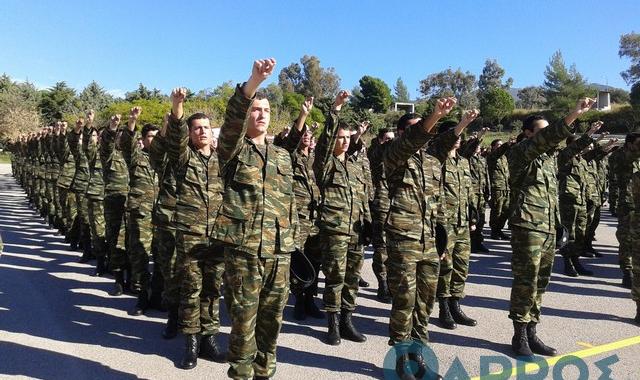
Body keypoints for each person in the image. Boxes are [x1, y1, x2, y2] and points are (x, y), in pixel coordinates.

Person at [213, 58, 298, 380]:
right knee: (243, 322)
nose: (261, 115)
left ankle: (264, 373)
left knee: (272, 322)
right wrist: (253, 83)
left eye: (266, 111)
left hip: (279, 252)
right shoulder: (232, 149)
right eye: (256, 109)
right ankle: (241, 374)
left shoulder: (282, 156)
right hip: (245, 251)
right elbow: (233, 120)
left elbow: (292, 201)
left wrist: (294, 239)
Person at [508, 98, 598, 358]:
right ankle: (520, 335)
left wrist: (588, 135)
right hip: (527, 226)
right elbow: (544, 141)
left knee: (541, 282)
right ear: (528, 133)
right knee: (526, 282)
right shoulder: (521, 153)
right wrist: (572, 115)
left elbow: (568, 152)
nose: (548, 136)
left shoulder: (549, 160)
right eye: (542, 130)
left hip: (547, 227)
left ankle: (533, 331)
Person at [383, 98, 457, 379]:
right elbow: (411, 141)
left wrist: (443, 241)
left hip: (428, 241)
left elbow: (436, 205)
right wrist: (434, 116)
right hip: (404, 239)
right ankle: (401, 359)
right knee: (405, 300)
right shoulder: (394, 155)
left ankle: (419, 357)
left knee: (425, 302)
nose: (424, 132)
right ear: (403, 133)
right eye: (415, 128)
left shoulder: (431, 162)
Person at [313, 90, 371, 346]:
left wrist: (368, 224)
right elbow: (324, 145)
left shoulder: (355, 166)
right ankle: (333, 325)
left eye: (348, 137)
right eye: (340, 137)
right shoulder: (326, 164)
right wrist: (335, 110)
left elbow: (363, 198)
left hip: (356, 232)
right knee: (334, 279)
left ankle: (348, 320)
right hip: (334, 231)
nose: (345, 141)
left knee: (352, 279)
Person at [428, 110, 480, 330]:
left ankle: (456, 304)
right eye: (454, 135)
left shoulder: (463, 163)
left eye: (460, 135)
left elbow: (469, 192)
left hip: (461, 223)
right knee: (445, 267)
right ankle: (444, 308)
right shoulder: (435, 158)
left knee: (461, 266)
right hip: (444, 223)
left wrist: (473, 213)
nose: (458, 139)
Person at [274, 97, 324, 321]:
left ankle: (310, 299)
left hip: (316, 218)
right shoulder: (291, 157)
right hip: (298, 218)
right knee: (299, 262)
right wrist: (302, 118)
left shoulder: (314, 159)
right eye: (303, 134)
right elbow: (288, 144)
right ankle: (299, 302)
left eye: (309, 135)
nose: (306, 137)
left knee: (314, 262)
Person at [367, 127, 395, 302]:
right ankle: (382, 283)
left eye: (393, 139)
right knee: (381, 247)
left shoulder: (397, 155)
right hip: (381, 205)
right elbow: (375, 158)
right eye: (387, 139)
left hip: (396, 204)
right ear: (379, 139)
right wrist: (384, 146)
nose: (390, 142)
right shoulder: (376, 153)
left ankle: (392, 282)